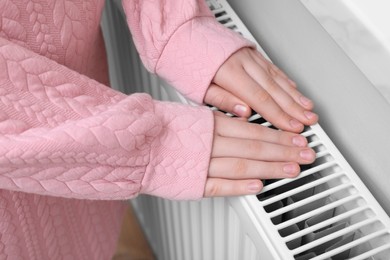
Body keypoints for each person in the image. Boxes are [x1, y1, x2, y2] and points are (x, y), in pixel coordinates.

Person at [0, 0, 318, 259]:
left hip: (82, 103)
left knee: (88, 239)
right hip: (15, 202)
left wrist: (172, 19)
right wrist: (139, 142)